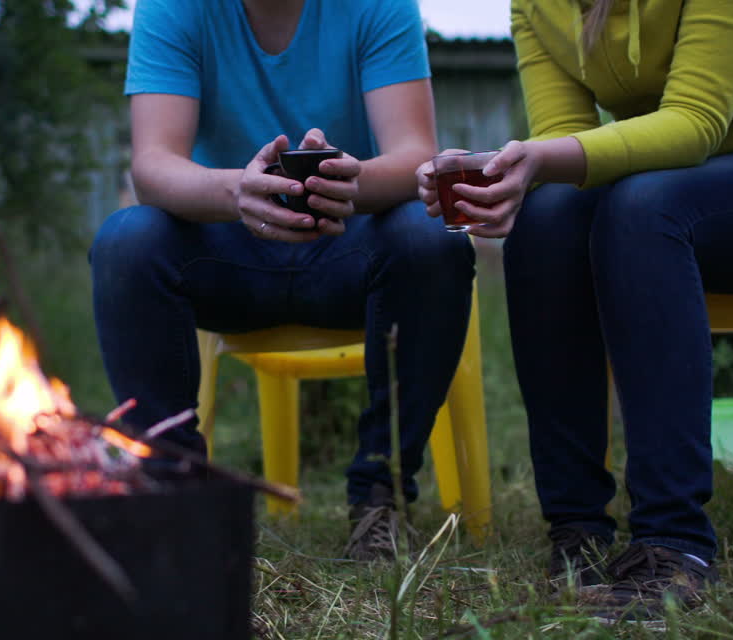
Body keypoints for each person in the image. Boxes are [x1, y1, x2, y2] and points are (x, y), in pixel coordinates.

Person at [419, 0, 733, 620]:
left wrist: (542, 160)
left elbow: (694, 123)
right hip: (665, 189)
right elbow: (565, 141)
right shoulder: (537, 5)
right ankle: (577, 531)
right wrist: (510, 178)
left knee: (641, 208)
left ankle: (673, 540)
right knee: (545, 220)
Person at [90, 0, 475, 560]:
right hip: (225, 258)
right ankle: (176, 497)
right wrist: (238, 192)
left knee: (433, 235)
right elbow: (152, 165)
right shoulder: (174, 8)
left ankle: (379, 494)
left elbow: (416, 153)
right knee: (127, 239)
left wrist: (350, 181)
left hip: (352, 253)